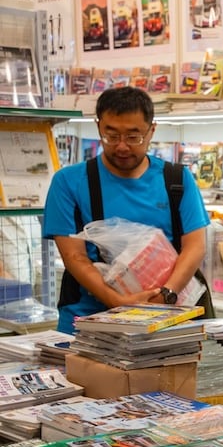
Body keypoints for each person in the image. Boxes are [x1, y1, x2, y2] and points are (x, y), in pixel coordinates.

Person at [43, 87, 210, 334]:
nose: (121, 147)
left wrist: (167, 295)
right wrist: (117, 303)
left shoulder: (177, 179)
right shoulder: (68, 182)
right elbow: (75, 257)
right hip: (90, 320)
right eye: (111, 135)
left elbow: (195, 246)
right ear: (98, 126)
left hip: (167, 319)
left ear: (152, 130)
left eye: (134, 137)